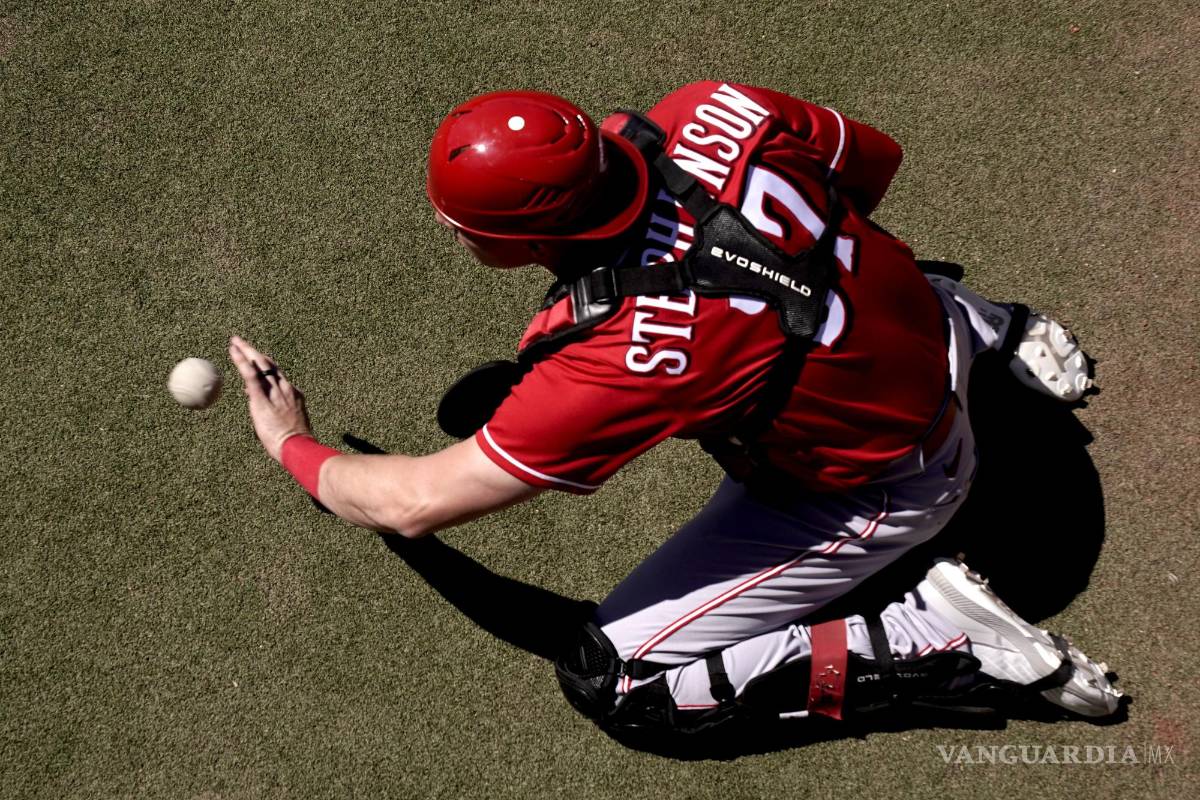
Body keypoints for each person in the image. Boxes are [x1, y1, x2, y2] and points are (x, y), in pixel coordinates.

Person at [228, 82, 1122, 736]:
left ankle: (936, 637)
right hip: (922, 328)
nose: (448, 229)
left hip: (893, 480)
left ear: (530, 240)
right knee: (815, 275)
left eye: (462, 226)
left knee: (620, 682)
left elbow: (413, 502)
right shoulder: (710, 107)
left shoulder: (621, 360)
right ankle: (996, 327)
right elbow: (872, 166)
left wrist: (291, 444)